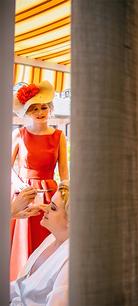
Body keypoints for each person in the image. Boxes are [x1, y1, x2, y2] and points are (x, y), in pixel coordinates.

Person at [10, 80, 69, 280]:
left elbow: (64, 172)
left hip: (49, 195)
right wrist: (20, 186)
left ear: (50, 109)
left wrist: (64, 196)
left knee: (46, 242)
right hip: (24, 193)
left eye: (44, 107)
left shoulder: (59, 136)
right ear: (27, 113)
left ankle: (42, 284)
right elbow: (6, 168)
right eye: (34, 108)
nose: (40, 112)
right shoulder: (18, 134)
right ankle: (21, 282)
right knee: (23, 244)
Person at [10, 182, 69, 306]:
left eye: (52, 207)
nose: (44, 208)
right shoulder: (51, 239)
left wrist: (9, 212)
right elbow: (19, 288)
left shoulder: (70, 261)